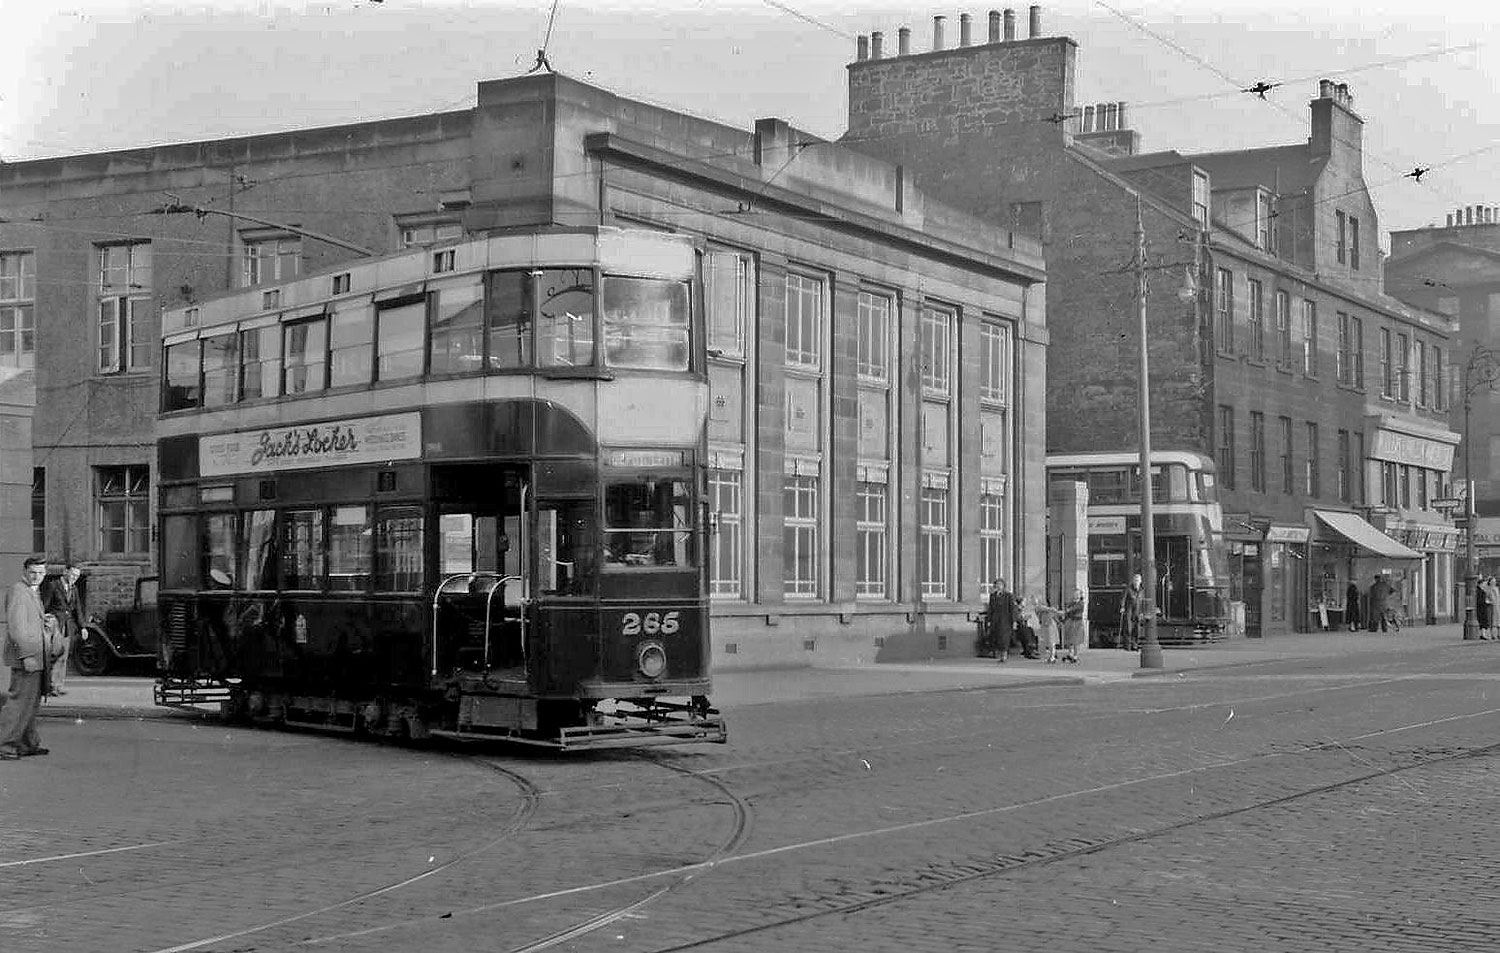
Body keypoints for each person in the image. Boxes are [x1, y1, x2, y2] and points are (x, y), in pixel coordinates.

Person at [0, 556, 53, 759]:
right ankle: (4, 744)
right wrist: (27, 656)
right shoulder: (18, 591)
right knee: (19, 702)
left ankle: (26, 743)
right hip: (27, 658)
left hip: (35, 657)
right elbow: (16, 629)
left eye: (40, 573)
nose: (36, 577)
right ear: (25, 572)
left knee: (30, 703)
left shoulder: (30, 592)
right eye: (33, 572)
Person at [42, 562, 85, 696]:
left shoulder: (74, 589)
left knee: (64, 656)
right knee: (53, 655)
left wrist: (82, 627)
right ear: (65, 572)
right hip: (54, 626)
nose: (74, 578)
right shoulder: (53, 585)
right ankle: (49, 687)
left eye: (77, 576)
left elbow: (77, 609)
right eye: (72, 574)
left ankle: (58, 685)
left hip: (66, 626)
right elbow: (44, 605)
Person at [984, 578, 1018, 662]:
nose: (999, 586)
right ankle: (1000, 653)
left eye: (1000, 584)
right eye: (997, 584)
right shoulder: (993, 596)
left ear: (1003, 586)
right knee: (997, 637)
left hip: (1006, 620)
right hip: (995, 620)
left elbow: (1012, 609)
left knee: (1004, 637)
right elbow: (990, 609)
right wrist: (989, 620)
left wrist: (1014, 621)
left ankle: (1004, 654)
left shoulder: (1008, 595)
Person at [1060, 588, 1088, 663]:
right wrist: (1064, 619)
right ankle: (1070, 653)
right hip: (1071, 622)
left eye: (1077, 594)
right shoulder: (1071, 603)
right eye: (1074, 594)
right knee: (1069, 638)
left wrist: (1067, 610)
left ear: (1080, 595)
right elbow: (1068, 612)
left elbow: (1073, 609)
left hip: (1077, 622)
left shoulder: (1081, 603)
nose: (1075, 595)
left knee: (1075, 640)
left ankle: (1075, 655)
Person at [1120, 573, 1146, 651]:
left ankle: (1135, 645)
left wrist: (1143, 611)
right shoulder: (1128, 589)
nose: (1136, 582)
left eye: (1137, 580)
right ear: (1133, 581)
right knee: (1128, 628)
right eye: (1135, 580)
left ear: (1140, 581)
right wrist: (1122, 607)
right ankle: (1127, 645)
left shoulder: (1142, 590)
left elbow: (1143, 602)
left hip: (1138, 611)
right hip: (1129, 610)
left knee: (1137, 629)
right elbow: (1123, 599)